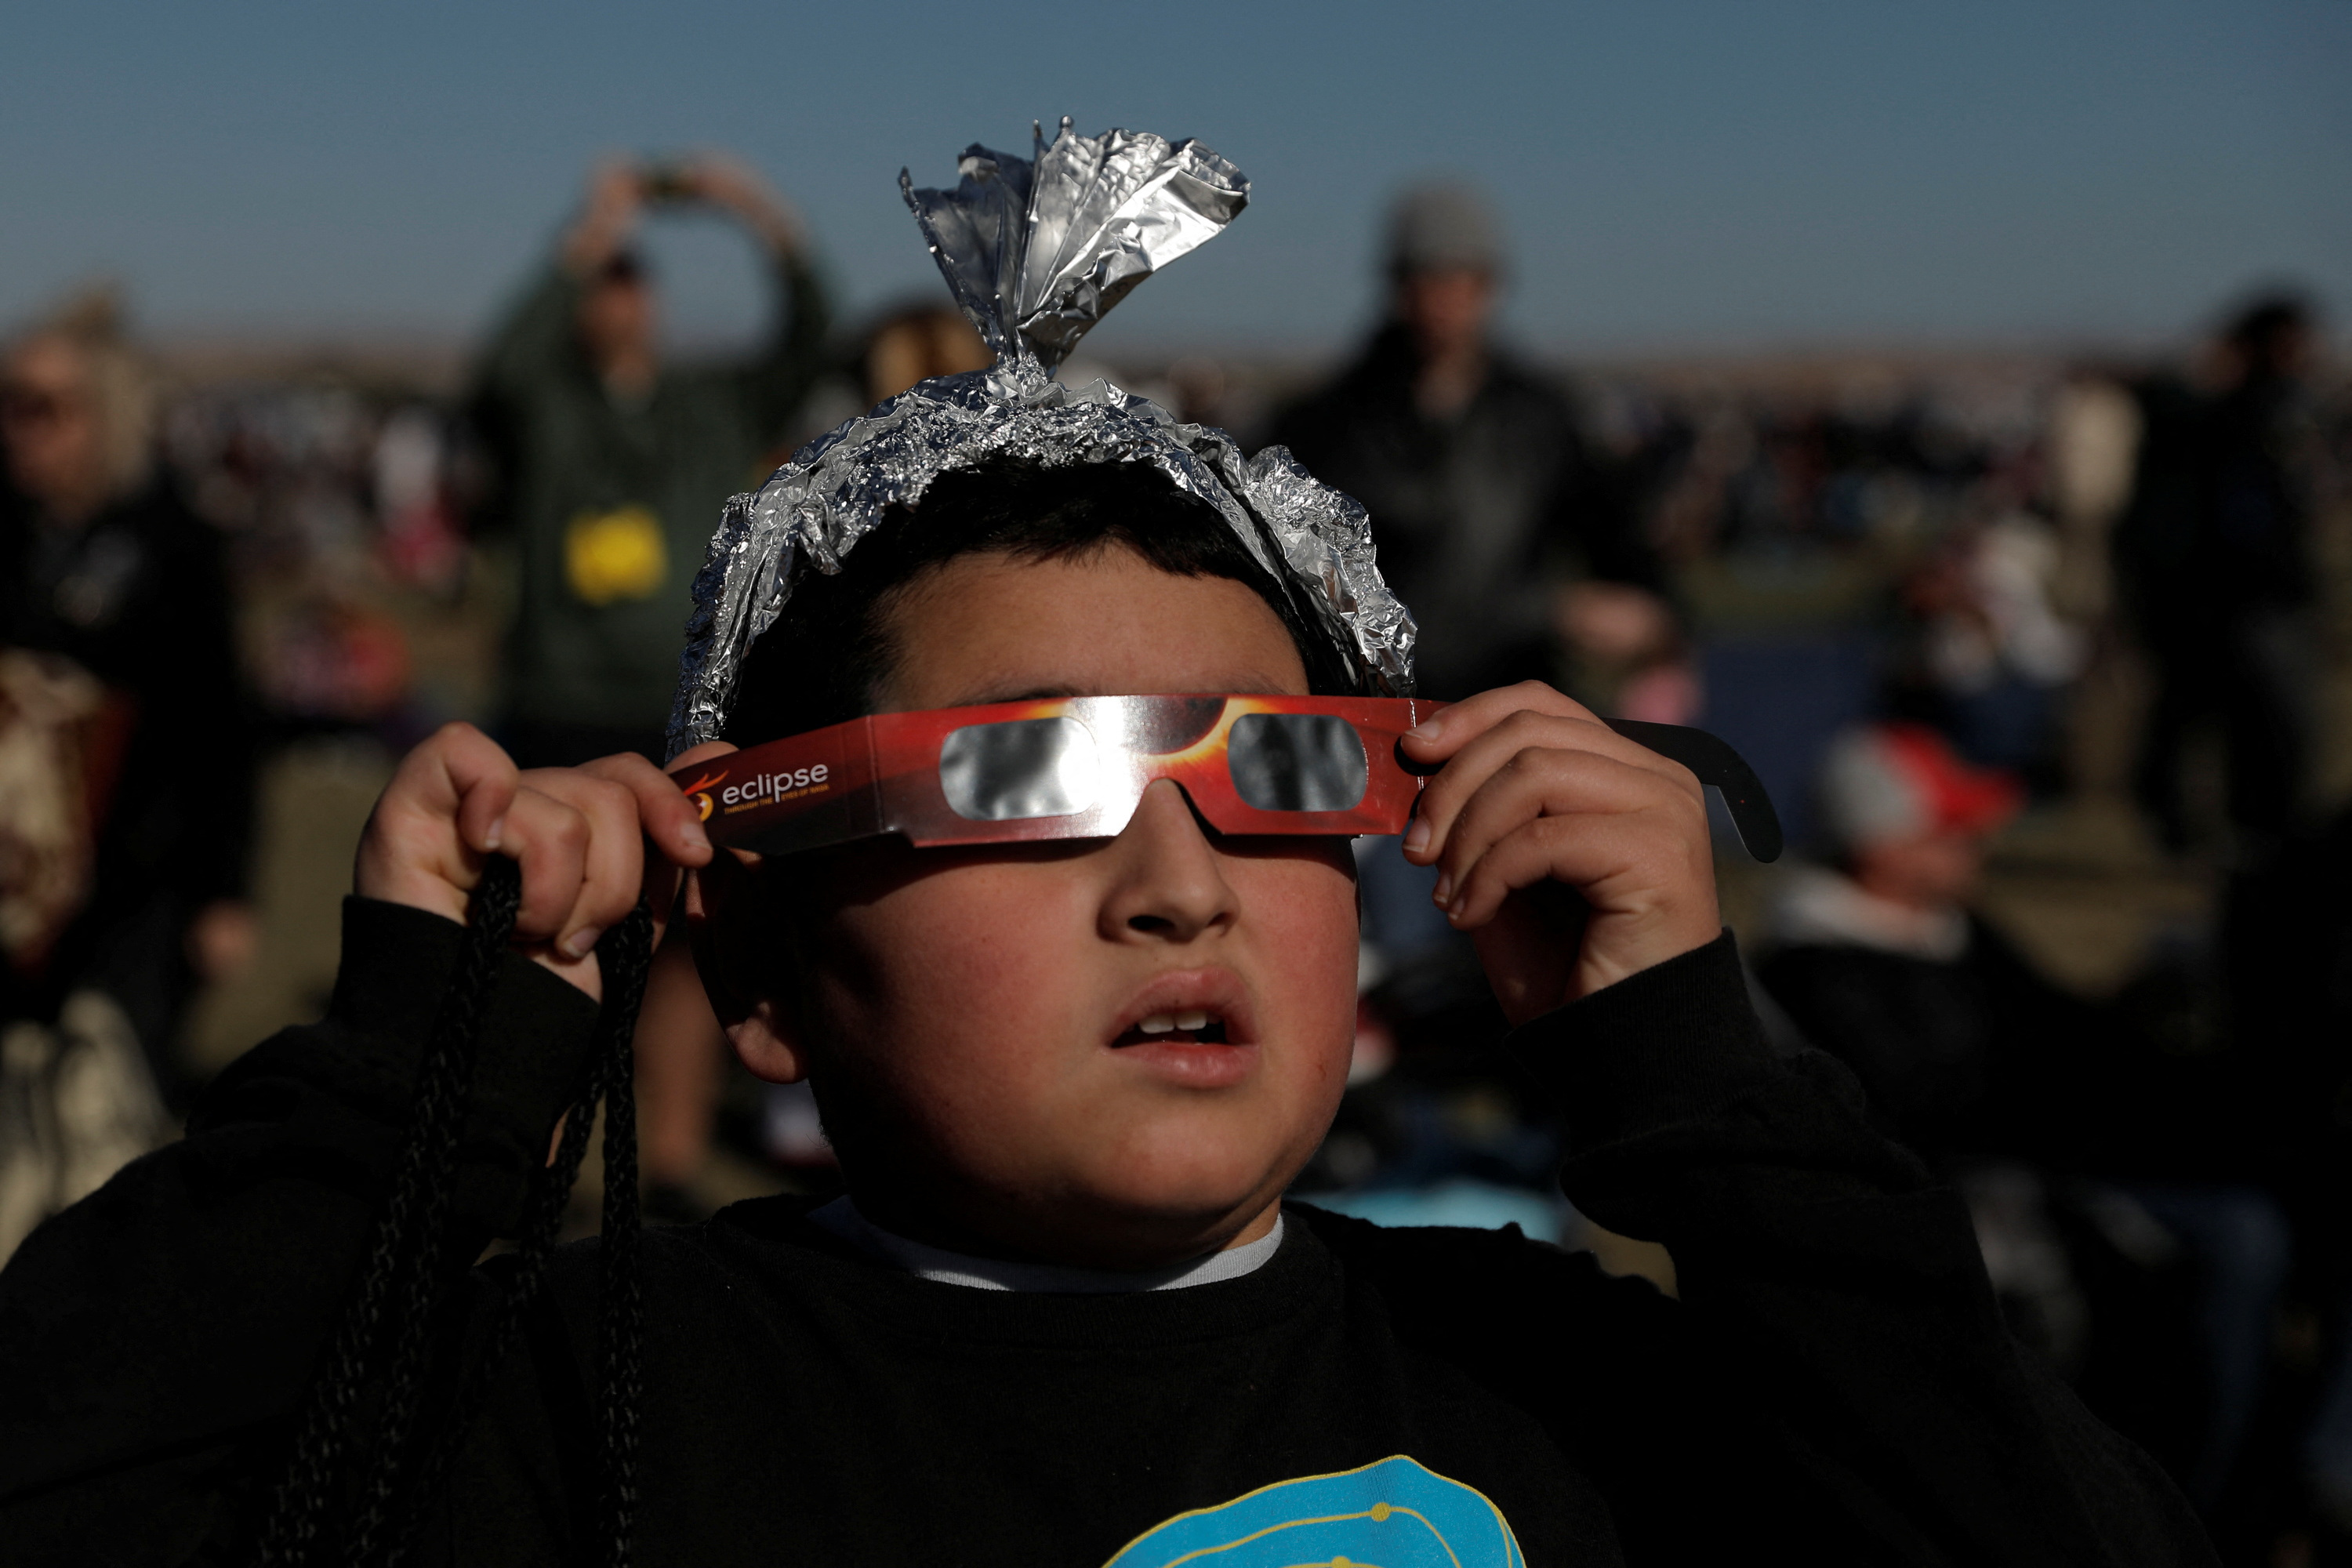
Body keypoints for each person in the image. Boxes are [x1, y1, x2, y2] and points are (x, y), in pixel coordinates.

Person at [0, 125, 2206, 1566]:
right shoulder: (588, 1412)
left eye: (1278, 780)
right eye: (1007, 784)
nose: (1175, 882)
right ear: (755, 957)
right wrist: (413, 1082)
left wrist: (1711, 1093)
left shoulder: (1556, 1381)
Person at [1759, 723, 2285, 1515]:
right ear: (1882, 846)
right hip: (1994, 1215)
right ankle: (2197, 1504)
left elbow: (2070, 1038)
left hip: (2068, 1173)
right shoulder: (1814, 969)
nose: (1975, 843)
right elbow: (1928, 1113)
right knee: (2231, 1246)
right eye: (1950, 829)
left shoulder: (1951, 930)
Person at [0, 292, 258, 1258]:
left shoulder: (173, 546)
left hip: (135, 887)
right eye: (10, 401)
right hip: (17, 884)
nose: (19, 427)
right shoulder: (10, 533)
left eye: (46, 406)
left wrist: (227, 888)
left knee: (102, 1112)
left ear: (103, 413)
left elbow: (224, 732)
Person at [466, 153, 831, 770]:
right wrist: (592, 233)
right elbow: (501, 371)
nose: (622, 298)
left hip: (694, 698)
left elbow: (811, 339)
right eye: (604, 283)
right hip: (561, 703)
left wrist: (755, 209)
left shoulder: (717, 407)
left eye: (634, 279)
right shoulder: (549, 410)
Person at [1271, 182, 1676, 707]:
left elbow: (1616, 540)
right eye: (1425, 276)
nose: (1443, 299)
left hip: (1511, 696)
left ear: (1490, 285)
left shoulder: (1540, 419)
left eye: (1460, 277)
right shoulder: (1326, 424)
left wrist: (1654, 623)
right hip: (1374, 708)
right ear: (1397, 286)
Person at [2112, 292, 2323, 854]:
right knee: (2235, 717)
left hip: (2248, 597)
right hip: (2224, 600)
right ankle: (2227, 830)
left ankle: (2251, 834)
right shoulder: (2215, 419)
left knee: (2243, 721)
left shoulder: (2275, 413)